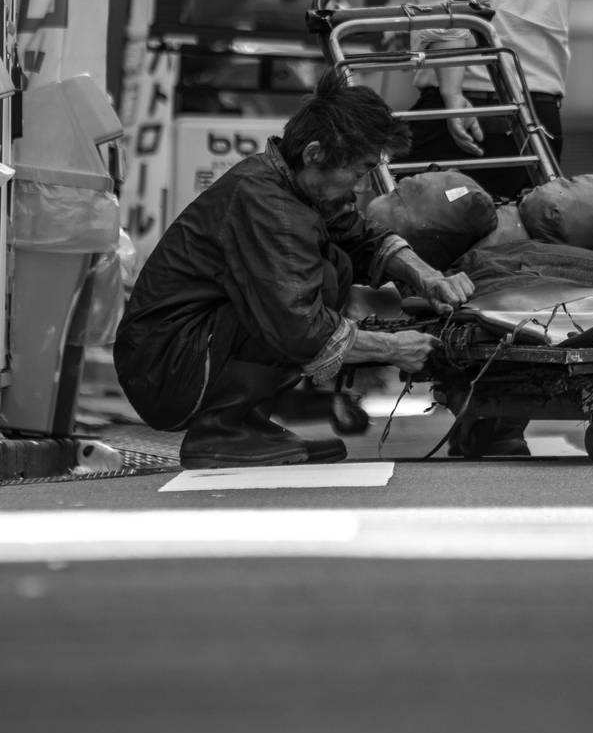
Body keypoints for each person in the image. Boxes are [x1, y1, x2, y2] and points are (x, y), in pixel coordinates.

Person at [114, 73, 473, 469]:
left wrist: (427, 276)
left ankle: (246, 423)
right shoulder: (267, 204)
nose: (359, 188)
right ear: (315, 154)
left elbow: (362, 237)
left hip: (181, 354)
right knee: (309, 286)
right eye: (357, 173)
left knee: (334, 264)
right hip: (167, 368)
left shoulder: (294, 185)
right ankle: (221, 432)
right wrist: (393, 348)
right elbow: (299, 328)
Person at [405, 0, 583, 459]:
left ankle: (467, 397)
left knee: (430, 245)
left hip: (472, 102)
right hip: (538, 110)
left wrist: (451, 93)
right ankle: (500, 415)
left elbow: (443, 3)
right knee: (523, 260)